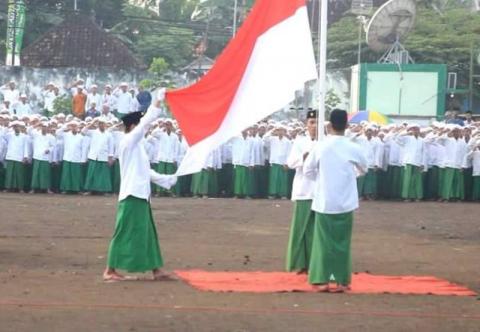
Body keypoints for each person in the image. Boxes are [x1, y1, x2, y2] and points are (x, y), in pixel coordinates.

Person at [104, 90, 177, 282]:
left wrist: (166, 179)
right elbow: (145, 125)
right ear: (133, 126)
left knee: (147, 232)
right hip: (131, 195)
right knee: (125, 231)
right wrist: (157, 103)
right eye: (138, 125)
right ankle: (110, 269)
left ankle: (156, 270)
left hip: (140, 195)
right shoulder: (128, 142)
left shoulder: (138, 148)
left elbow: (146, 172)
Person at [304, 109, 367, 292]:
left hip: (325, 200)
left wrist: (322, 179)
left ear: (329, 125)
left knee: (323, 242)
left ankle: (322, 280)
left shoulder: (321, 146)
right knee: (342, 242)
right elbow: (364, 168)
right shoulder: (353, 147)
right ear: (346, 126)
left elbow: (308, 170)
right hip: (345, 201)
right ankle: (341, 281)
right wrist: (348, 176)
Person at [285, 109, 317, 274]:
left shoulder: (325, 142)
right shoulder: (299, 141)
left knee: (315, 229)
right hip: (303, 190)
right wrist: (302, 159)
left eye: (317, 122)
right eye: (311, 122)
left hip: (319, 192)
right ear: (306, 124)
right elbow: (290, 162)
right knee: (300, 228)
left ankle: (314, 263)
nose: (314, 126)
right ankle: (298, 263)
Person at [82, 118, 114, 195]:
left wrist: (110, 158)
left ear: (105, 125)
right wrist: (92, 122)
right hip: (94, 156)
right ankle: (90, 190)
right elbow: (83, 131)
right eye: (99, 123)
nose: (101, 125)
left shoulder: (108, 134)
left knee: (103, 175)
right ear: (97, 124)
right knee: (92, 174)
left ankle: (103, 190)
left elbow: (111, 146)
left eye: (102, 123)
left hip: (103, 156)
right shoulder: (93, 132)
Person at [28, 121, 55, 193]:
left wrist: (49, 150)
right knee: (35, 173)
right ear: (41, 127)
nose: (44, 128)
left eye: (45, 127)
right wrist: (36, 124)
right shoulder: (36, 134)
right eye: (43, 127)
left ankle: (47, 188)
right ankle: (33, 188)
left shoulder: (51, 137)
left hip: (45, 157)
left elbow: (53, 146)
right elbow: (29, 131)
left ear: (48, 128)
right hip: (37, 156)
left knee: (46, 173)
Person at [4, 121, 29, 193]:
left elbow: (25, 147)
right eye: (15, 126)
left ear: (20, 127)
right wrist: (9, 127)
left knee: (19, 173)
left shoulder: (24, 136)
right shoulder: (9, 135)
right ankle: (8, 187)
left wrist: (25, 156)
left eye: (17, 126)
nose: (16, 128)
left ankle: (20, 188)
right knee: (9, 173)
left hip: (19, 156)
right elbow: (3, 136)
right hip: (11, 156)